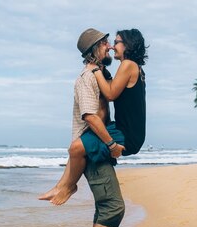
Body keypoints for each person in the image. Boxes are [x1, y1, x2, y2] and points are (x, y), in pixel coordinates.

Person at [39, 28, 147, 206]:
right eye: (109, 43)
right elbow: (114, 89)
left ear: (128, 44)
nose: (112, 47)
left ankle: (68, 187)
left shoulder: (128, 65)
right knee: (79, 145)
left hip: (126, 133)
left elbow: (111, 94)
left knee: (75, 148)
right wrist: (98, 71)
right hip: (124, 128)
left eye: (116, 42)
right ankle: (62, 186)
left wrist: (95, 70)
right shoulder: (135, 68)